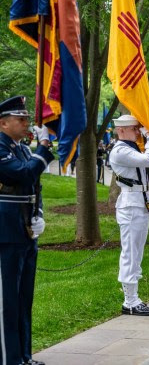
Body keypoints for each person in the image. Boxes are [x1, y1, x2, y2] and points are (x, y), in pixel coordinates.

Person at [0, 96, 53, 365]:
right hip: (6, 231)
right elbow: (22, 174)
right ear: (3, 122)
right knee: (7, 301)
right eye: (19, 119)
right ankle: (9, 358)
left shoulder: (20, 148)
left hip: (25, 229)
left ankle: (23, 356)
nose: (25, 123)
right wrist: (43, 146)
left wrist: (39, 213)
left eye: (25, 118)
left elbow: (35, 186)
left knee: (24, 298)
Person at [109, 114, 149, 316]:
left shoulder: (130, 148)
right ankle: (129, 301)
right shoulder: (120, 150)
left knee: (137, 252)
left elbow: (143, 174)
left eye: (139, 129)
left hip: (139, 201)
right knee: (130, 253)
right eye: (134, 129)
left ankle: (134, 297)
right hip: (130, 205)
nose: (138, 132)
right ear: (121, 130)